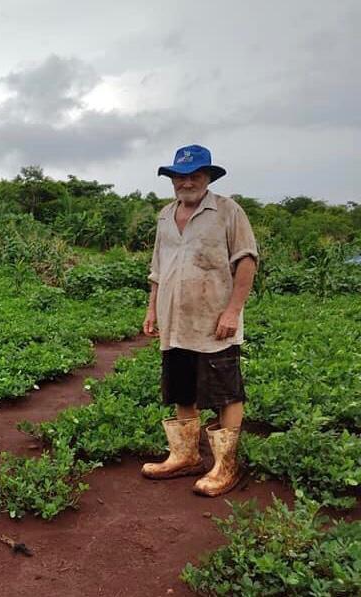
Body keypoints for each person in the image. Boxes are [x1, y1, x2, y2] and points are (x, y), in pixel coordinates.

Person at [141, 144, 258, 497]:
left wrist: (232, 310)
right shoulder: (165, 215)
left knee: (225, 391)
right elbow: (158, 270)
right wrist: (152, 309)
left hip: (214, 321)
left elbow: (246, 260)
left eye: (194, 176)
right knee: (180, 388)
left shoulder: (227, 211)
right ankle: (186, 455)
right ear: (172, 180)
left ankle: (226, 466)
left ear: (207, 178)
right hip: (175, 320)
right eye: (180, 177)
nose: (186, 182)